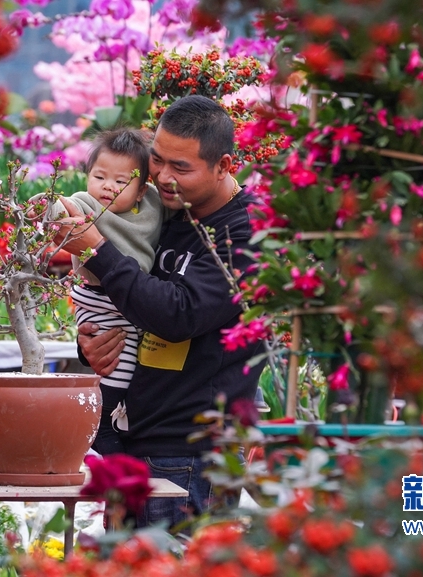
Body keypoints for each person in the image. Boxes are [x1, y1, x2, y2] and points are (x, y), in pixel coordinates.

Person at [55, 95, 266, 529]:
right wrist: (92, 339)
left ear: (224, 165)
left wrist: (95, 248)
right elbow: (129, 295)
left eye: (181, 168)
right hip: (131, 436)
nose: (164, 178)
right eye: (157, 161)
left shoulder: (247, 232)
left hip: (190, 451)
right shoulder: (164, 211)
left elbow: (180, 314)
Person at [47, 127, 166, 455]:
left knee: (122, 373)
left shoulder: (153, 210)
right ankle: (104, 441)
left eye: (120, 181)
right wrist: (43, 209)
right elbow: (59, 207)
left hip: (132, 308)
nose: (108, 187)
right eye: (99, 176)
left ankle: (105, 435)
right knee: (116, 375)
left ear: (142, 191)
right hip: (99, 305)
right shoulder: (84, 206)